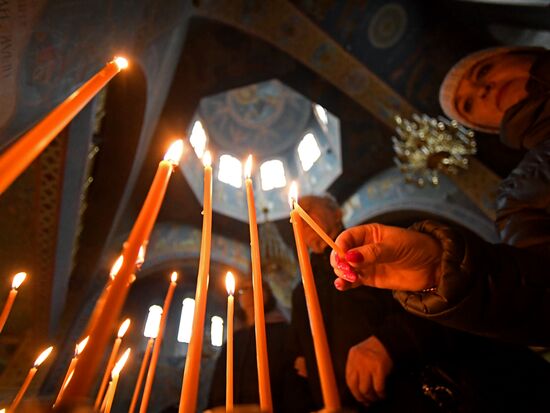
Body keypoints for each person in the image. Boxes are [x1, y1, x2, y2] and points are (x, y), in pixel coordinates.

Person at [330, 46, 550, 346]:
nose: (483, 91)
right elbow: (538, 295)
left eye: (483, 71)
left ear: (521, 53)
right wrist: (438, 269)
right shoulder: (521, 196)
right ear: (485, 126)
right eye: (468, 105)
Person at [286, 196, 550, 412]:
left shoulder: (375, 246)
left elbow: (446, 297)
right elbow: (306, 356)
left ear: (337, 211)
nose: (300, 218)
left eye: (307, 208)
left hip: (455, 389)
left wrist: (391, 340)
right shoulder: (300, 293)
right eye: (295, 216)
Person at [207, 277, 290, 412]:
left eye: (256, 287)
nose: (250, 293)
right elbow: (219, 379)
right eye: (244, 289)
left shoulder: (283, 332)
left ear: (268, 294)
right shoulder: (235, 338)